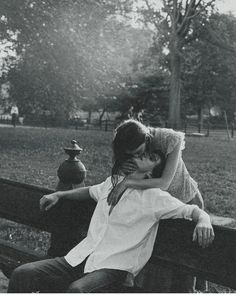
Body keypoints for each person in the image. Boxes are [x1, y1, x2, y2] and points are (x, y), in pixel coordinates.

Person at [7, 163, 214, 293]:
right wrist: (59, 195)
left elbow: (191, 210)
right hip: (81, 258)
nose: (128, 171)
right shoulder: (111, 184)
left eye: (136, 165)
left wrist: (203, 220)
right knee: (22, 273)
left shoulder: (154, 197)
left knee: (78, 291)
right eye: (124, 163)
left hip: (113, 269)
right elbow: (89, 191)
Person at [107, 119, 207, 291]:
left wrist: (128, 182)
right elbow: (121, 178)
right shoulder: (127, 146)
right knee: (160, 261)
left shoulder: (168, 139)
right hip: (157, 206)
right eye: (129, 155)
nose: (135, 157)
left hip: (185, 200)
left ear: (146, 139)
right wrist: (127, 171)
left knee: (185, 261)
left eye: (138, 152)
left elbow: (164, 183)